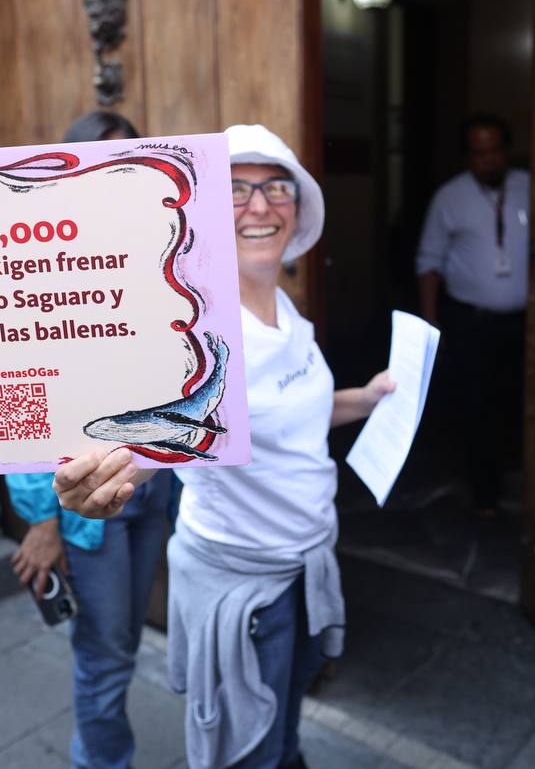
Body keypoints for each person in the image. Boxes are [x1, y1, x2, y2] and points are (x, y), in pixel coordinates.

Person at [50, 124, 394, 769]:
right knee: (249, 752)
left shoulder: (286, 312)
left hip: (305, 568)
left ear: (299, 206)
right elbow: (153, 448)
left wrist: (366, 399)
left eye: (275, 187)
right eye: (236, 190)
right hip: (247, 591)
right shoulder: (200, 337)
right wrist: (101, 480)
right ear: (203, 209)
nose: (260, 205)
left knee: (283, 736)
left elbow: (292, 419)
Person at [5, 110, 177, 769]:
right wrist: (42, 518)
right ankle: (101, 762)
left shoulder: (160, 246)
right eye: (108, 159)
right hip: (82, 507)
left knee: (125, 642)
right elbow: (19, 408)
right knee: (105, 653)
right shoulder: (39, 261)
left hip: (149, 492)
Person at [415, 114, 530, 512]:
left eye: (496, 151)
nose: (489, 160)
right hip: (471, 322)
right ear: (468, 156)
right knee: (476, 405)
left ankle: (528, 484)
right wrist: (432, 322)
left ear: (506, 150)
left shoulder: (530, 187)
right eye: (480, 153)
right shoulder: (450, 198)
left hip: (525, 323)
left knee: (521, 400)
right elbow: (428, 262)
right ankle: (486, 496)